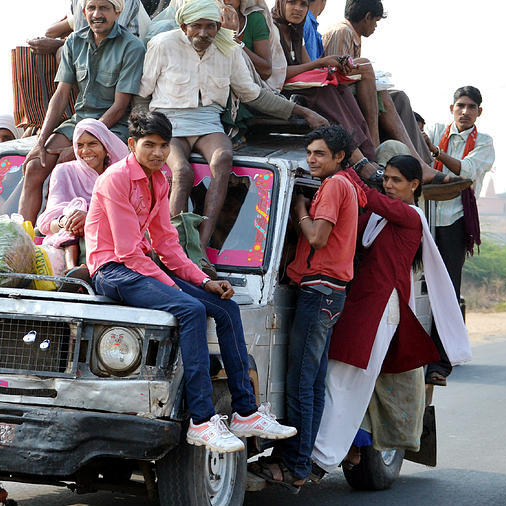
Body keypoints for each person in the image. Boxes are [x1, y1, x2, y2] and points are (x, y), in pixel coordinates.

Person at [85, 111, 297, 453]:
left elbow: (167, 244)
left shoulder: (159, 181)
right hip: (111, 270)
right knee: (191, 310)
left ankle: (246, 411)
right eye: (149, 145)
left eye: (163, 146)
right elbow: (126, 252)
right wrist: (175, 288)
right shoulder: (116, 179)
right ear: (131, 145)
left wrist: (202, 279)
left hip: (139, 268)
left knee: (225, 307)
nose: (157, 152)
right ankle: (201, 420)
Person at [311, 154, 471, 470]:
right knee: (342, 377)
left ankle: (324, 455)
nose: (388, 185)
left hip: (381, 308)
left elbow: (368, 197)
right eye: (386, 179)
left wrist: (348, 167)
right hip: (365, 305)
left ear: (415, 185)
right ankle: (336, 449)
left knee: (348, 378)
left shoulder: (409, 215)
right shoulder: (382, 218)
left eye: (396, 180)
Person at [138, 0, 330, 249]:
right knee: (182, 173)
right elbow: (142, 95)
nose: (204, 33)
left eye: (211, 27)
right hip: (168, 122)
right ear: (184, 26)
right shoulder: (162, 44)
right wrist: (145, 132)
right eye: (197, 26)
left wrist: (303, 112)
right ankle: (173, 247)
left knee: (222, 159)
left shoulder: (229, 49)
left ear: (219, 27)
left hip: (208, 121)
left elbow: (253, 94)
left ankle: (200, 247)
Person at [250, 125, 364, 490]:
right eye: (309, 152)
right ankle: (301, 460)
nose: (311, 159)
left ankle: (295, 465)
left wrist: (299, 209)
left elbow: (317, 236)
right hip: (330, 293)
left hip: (319, 292)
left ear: (339, 158)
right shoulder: (348, 185)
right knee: (312, 384)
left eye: (319, 154)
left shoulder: (334, 186)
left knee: (301, 382)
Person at [18, 0, 146, 224]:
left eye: (104, 8)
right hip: (79, 120)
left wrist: (79, 145)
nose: (97, 14)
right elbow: (61, 94)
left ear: (117, 11)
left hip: (114, 126)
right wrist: (40, 141)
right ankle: (21, 236)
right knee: (35, 165)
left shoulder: (132, 46)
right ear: (84, 11)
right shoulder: (74, 42)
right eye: (91, 8)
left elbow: (120, 105)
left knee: (82, 164)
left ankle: (71, 228)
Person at [322, 0, 454, 185]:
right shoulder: (342, 32)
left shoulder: (353, 35)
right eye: (375, 21)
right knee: (382, 93)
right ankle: (386, 151)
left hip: (352, 91)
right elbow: (337, 76)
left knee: (399, 97)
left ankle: (422, 162)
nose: (375, 27)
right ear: (367, 17)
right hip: (339, 98)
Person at [422, 85, 495, 384]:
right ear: (451, 108)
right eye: (460, 106)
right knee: (416, 285)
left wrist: (435, 151)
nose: (465, 112)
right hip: (425, 216)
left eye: (471, 107)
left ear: (479, 112)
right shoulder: (436, 129)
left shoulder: (485, 142)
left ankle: (440, 363)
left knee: (447, 290)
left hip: (454, 220)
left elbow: (465, 171)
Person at [271, 0, 379, 167]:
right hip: (276, 91)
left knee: (339, 88)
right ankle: (359, 161)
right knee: (325, 92)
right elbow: (276, 73)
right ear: (281, 4)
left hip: (299, 89)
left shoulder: (295, 32)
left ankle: (368, 154)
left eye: (303, 4)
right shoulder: (272, 30)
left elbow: (310, 70)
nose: (298, 9)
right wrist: (320, 63)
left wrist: (334, 66)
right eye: (292, 2)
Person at [37, 118, 128, 274]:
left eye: (92, 144)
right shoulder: (63, 171)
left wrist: (92, 219)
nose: (85, 151)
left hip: (112, 239)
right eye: (80, 145)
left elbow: (128, 215)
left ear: (105, 146)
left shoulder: (119, 175)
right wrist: (66, 221)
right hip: (68, 233)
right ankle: (73, 270)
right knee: (74, 211)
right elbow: (46, 222)